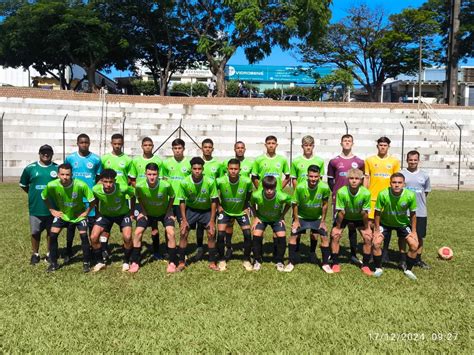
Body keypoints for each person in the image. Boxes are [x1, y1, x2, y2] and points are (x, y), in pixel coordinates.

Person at [41, 164, 95, 272]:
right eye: (62, 174)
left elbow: (93, 201)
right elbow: (44, 196)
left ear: (72, 175)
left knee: (84, 236)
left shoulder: (80, 185)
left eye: (67, 174)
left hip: (78, 216)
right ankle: (54, 263)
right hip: (63, 215)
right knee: (52, 235)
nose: (65, 177)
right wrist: (52, 210)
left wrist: (86, 212)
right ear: (58, 175)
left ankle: (86, 262)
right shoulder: (52, 185)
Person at [327, 134, 365, 265]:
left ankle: (353, 254)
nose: (347, 143)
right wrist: (335, 193)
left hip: (354, 200)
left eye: (349, 141)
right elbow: (330, 180)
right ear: (341, 143)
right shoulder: (334, 161)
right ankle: (333, 255)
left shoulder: (359, 162)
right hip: (339, 199)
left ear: (352, 143)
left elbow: (362, 179)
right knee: (336, 226)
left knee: (353, 227)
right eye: (345, 141)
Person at [64, 133, 102, 263]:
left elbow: (98, 178)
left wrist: (93, 193)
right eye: (81, 142)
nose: (84, 145)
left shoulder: (96, 159)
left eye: (86, 142)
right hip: (73, 199)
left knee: (91, 225)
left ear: (89, 143)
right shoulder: (70, 158)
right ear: (77, 143)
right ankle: (68, 251)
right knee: (71, 226)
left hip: (89, 200)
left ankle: (92, 249)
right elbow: (65, 175)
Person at [373, 173, 419, 280]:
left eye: (399, 182)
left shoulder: (410, 195)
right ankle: (378, 268)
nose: (397, 185)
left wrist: (414, 231)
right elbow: (377, 213)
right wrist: (376, 230)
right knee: (376, 243)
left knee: (414, 245)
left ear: (404, 184)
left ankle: (408, 269)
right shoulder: (383, 194)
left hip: (402, 224)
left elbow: (413, 214)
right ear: (390, 183)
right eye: (394, 182)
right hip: (385, 223)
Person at [132, 163, 176, 273]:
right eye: (149, 174)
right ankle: (135, 262)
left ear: (158, 174)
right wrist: (143, 210)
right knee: (137, 232)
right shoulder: (139, 186)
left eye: (154, 174)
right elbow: (138, 196)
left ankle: (172, 262)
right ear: (145, 174)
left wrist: (169, 210)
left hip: (164, 213)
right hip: (148, 214)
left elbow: (172, 196)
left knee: (171, 232)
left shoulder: (165, 185)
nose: (152, 177)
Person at [89, 169, 135, 272]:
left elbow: (133, 195)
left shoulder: (122, 188)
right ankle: (100, 262)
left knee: (127, 237)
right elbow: (95, 199)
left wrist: (131, 212)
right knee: (93, 237)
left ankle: (126, 261)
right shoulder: (96, 189)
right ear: (101, 181)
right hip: (106, 216)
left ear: (114, 181)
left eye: (111, 182)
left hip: (122, 215)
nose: (108, 184)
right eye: (105, 181)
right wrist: (97, 212)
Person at [177, 157, 219, 272]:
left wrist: (211, 220)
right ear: (191, 169)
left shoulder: (210, 181)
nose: (197, 171)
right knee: (183, 232)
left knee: (211, 233)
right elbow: (182, 201)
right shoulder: (184, 182)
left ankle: (212, 262)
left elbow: (214, 201)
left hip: (206, 211)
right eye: (194, 168)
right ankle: (181, 262)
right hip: (192, 210)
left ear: (203, 169)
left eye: (199, 168)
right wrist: (184, 219)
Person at [19, 144, 58, 265]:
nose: (46, 154)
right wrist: (34, 195)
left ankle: (49, 254)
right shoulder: (30, 168)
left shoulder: (57, 168)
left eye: (48, 152)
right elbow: (24, 185)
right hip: (36, 207)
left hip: (52, 208)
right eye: (43, 152)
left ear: (52, 154)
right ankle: (35, 254)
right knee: (35, 232)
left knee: (51, 232)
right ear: (39, 153)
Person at [364, 136, 400, 263]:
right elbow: (367, 178)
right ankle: (371, 252)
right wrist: (365, 194)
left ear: (388, 146)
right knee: (372, 225)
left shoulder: (395, 162)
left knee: (387, 226)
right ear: (377, 146)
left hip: (388, 199)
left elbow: (397, 179)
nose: (383, 147)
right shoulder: (369, 160)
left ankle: (384, 252)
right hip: (373, 199)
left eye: (385, 145)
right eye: (380, 145)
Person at [288, 165, 330, 273]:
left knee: (324, 237)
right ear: (307, 176)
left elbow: (325, 204)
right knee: (293, 235)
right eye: (311, 176)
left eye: (316, 176)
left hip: (316, 217)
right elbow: (295, 204)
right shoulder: (301, 187)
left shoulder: (324, 188)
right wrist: (296, 221)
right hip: (301, 216)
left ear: (319, 176)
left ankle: (324, 263)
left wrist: (323, 221)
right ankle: (291, 262)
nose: (313, 179)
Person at [331, 168, 373, 276]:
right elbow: (341, 212)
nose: (354, 181)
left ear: (361, 180)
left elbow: (364, 213)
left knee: (368, 237)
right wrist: (338, 227)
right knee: (335, 235)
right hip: (344, 217)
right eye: (351, 178)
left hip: (359, 217)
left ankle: (366, 265)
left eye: (357, 178)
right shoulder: (341, 191)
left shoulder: (366, 193)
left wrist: (367, 228)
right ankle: (335, 263)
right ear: (347, 179)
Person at [290, 135, 325, 255]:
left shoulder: (319, 161)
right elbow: (294, 179)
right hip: (301, 197)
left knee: (315, 230)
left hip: (314, 198)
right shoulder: (296, 161)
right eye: (306, 145)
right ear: (302, 146)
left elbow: (319, 180)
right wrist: (298, 195)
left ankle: (312, 252)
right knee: (297, 226)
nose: (308, 148)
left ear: (313, 146)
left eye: (310, 145)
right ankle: (297, 250)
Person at [216, 159, 253, 271]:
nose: (233, 171)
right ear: (227, 169)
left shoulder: (246, 181)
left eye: (235, 169)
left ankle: (246, 259)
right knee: (221, 234)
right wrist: (218, 205)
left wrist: (246, 205)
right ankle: (222, 259)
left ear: (239, 170)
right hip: (226, 211)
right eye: (231, 169)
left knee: (247, 234)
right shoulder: (220, 181)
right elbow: (212, 193)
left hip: (240, 211)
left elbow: (249, 193)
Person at [250, 176, 291, 272]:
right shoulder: (256, 195)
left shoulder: (282, 196)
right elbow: (251, 204)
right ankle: (257, 260)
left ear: (275, 187)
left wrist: (282, 215)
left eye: (271, 188)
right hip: (262, 219)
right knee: (256, 234)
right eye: (266, 188)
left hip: (276, 219)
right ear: (262, 187)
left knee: (281, 235)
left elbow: (290, 203)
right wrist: (256, 216)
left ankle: (279, 261)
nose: (269, 191)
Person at [402, 151, 431, 269]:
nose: (413, 162)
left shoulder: (425, 175)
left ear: (418, 160)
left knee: (419, 236)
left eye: (415, 160)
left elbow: (426, 191)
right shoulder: (401, 173)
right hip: (404, 212)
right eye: (410, 159)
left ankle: (417, 259)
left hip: (420, 211)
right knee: (403, 236)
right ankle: (403, 259)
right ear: (406, 160)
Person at [194, 138, 223, 260]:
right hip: (199, 200)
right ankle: (200, 247)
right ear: (201, 148)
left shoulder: (218, 165)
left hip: (212, 200)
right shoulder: (197, 164)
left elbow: (221, 184)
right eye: (205, 147)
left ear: (212, 149)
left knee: (212, 225)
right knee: (199, 226)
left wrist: (219, 203)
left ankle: (213, 248)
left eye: (209, 147)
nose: (207, 149)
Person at [161, 138, 191, 228]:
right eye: (175, 148)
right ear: (172, 149)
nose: (177, 150)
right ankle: (169, 242)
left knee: (183, 226)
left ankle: (182, 242)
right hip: (170, 200)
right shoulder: (166, 163)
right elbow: (164, 181)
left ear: (184, 149)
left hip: (183, 200)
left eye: (179, 148)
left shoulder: (189, 163)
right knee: (168, 226)